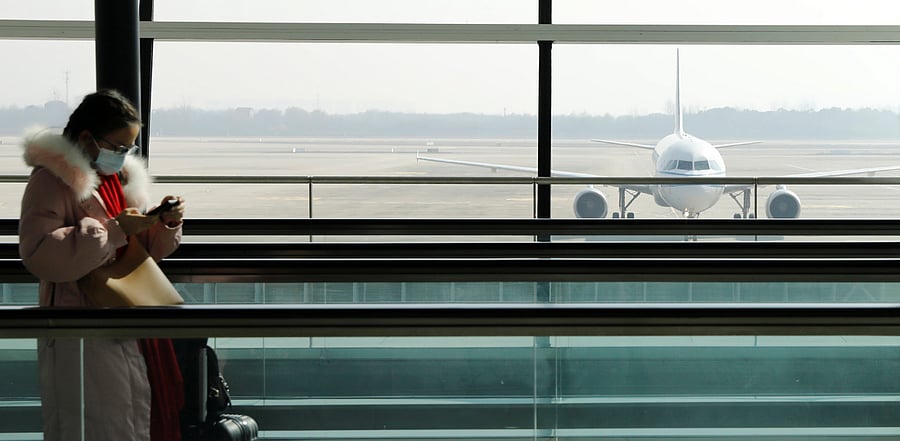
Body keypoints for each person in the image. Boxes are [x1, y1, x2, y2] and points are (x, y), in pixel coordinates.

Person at [18, 89, 186, 441]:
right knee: (97, 420)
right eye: (118, 146)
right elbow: (39, 254)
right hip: (82, 321)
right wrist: (113, 231)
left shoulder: (118, 179)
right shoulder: (50, 180)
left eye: (129, 148)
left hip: (128, 312)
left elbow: (136, 250)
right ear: (86, 138)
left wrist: (162, 223)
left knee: (133, 415)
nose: (123, 156)